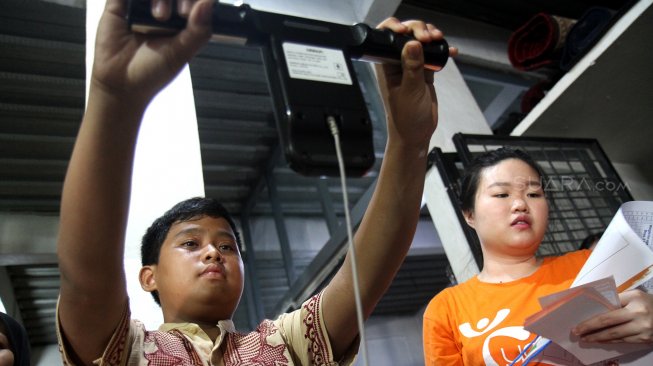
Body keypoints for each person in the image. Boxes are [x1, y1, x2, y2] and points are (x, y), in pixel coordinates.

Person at [56, 0, 456, 364]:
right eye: (191, 243)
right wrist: (114, 98)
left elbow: (369, 269)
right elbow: (86, 277)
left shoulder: (286, 344)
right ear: (149, 277)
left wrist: (409, 141)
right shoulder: (127, 351)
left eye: (227, 245)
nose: (214, 253)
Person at [423, 147, 653, 365]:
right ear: (469, 214)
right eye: (501, 194)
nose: (520, 204)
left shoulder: (593, 263)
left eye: (534, 193)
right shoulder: (447, 309)